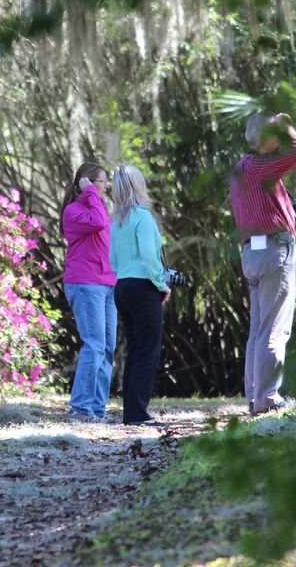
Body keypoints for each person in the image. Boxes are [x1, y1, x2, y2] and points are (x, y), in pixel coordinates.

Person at [229, 112, 296, 415]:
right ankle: (267, 399)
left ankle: (255, 396)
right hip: (274, 250)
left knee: (259, 329)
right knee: (275, 328)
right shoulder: (261, 167)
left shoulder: (240, 169)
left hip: (252, 252)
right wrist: (286, 124)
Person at [109, 164, 170, 427]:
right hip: (143, 287)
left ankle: (131, 413)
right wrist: (161, 284)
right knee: (148, 351)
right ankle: (138, 414)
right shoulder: (143, 218)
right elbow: (148, 256)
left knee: (134, 350)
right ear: (138, 186)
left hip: (122, 286)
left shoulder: (116, 222)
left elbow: (113, 260)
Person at [61, 162, 117, 423]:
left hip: (107, 284)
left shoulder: (100, 208)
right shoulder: (74, 211)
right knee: (94, 345)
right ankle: (81, 408)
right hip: (85, 283)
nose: (106, 186)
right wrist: (91, 193)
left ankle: (97, 408)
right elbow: (98, 223)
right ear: (87, 183)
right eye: (102, 181)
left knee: (107, 348)